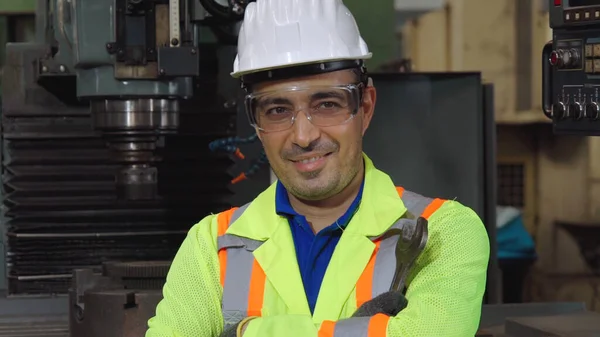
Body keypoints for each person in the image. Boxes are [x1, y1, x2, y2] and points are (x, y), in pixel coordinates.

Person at [146, 0, 490, 336]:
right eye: (278, 110)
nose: (304, 136)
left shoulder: (446, 231)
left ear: (366, 107)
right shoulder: (211, 244)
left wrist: (248, 331)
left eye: (327, 104)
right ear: (255, 122)